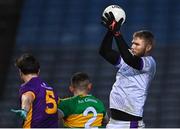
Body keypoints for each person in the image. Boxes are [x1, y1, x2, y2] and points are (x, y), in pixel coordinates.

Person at [99, 12, 156, 128]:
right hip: (113, 122)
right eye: (132, 43)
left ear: (148, 47)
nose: (133, 46)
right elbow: (104, 52)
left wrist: (117, 32)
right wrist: (110, 31)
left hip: (130, 124)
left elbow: (130, 59)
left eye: (137, 44)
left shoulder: (149, 63)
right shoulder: (127, 58)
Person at [11, 53, 59, 128]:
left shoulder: (28, 86)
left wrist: (24, 110)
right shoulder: (50, 89)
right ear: (38, 71)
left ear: (20, 72)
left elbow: (27, 97)